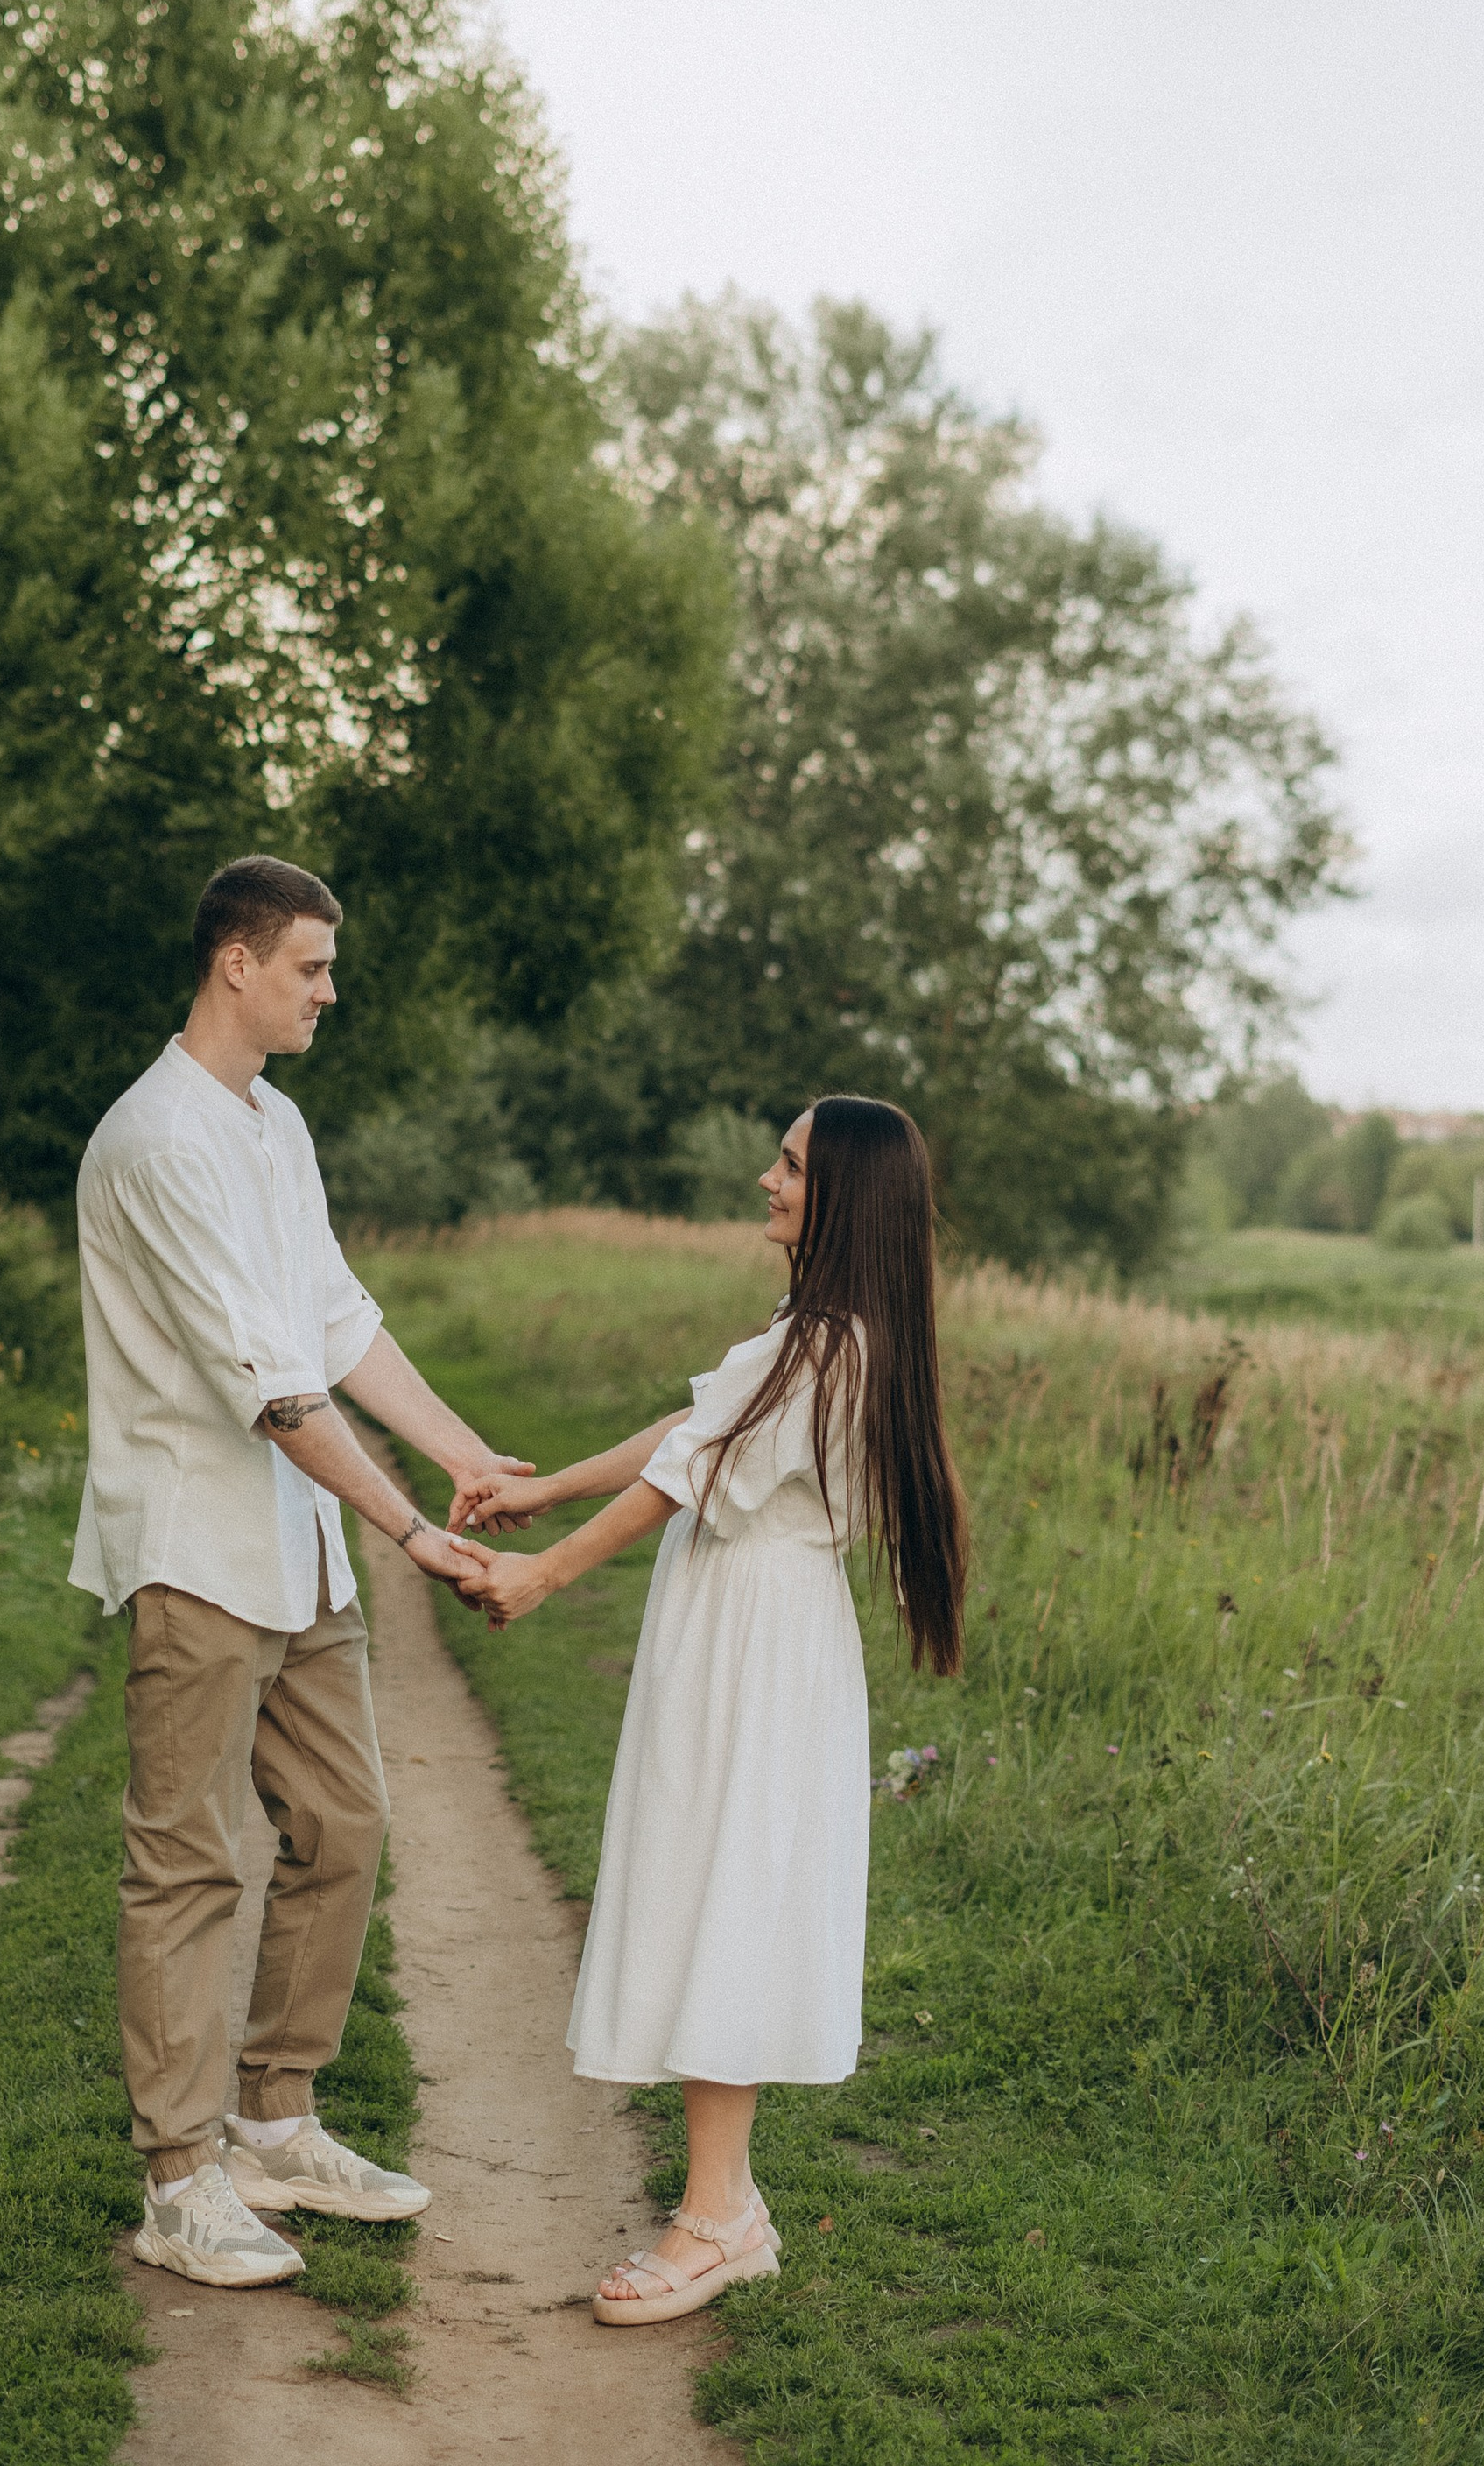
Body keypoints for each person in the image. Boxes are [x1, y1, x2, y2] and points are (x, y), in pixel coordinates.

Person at [71, 854, 514, 2289]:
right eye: (312, 967)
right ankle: (180, 2176)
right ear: (236, 966)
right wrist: (410, 1531)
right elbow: (270, 1388)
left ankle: (275, 2118)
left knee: (343, 1823)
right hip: (197, 1545)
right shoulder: (155, 1142)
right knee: (189, 1861)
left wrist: (468, 1456)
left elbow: (334, 1323)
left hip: (296, 1550)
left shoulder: (279, 1127)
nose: (332, 990)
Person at [452, 1096, 967, 2322]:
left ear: (839, 1194)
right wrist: (548, 1490)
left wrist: (544, 1573)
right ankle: (721, 2205)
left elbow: (686, 1480)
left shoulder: (835, 1343)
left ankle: (719, 2219)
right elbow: (691, 1428)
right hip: (749, 1630)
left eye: (788, 1166)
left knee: (724, 1893)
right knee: (706, 1882)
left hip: (757, 1641)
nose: (765, 1180)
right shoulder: (818, 1332)